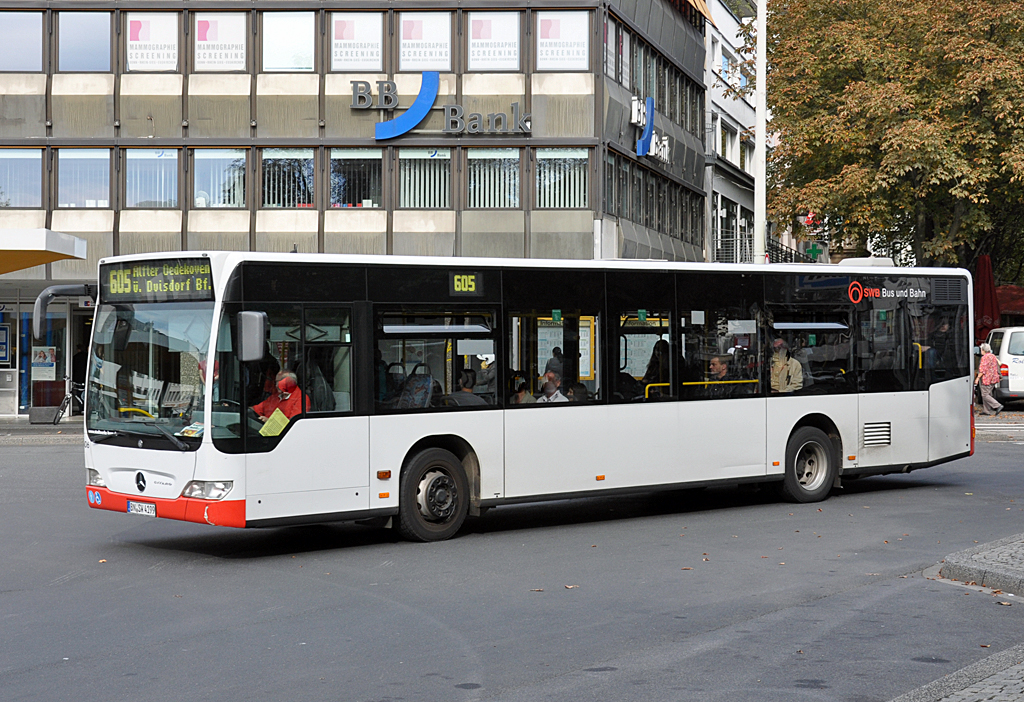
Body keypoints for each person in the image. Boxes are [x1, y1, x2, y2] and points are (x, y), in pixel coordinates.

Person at [975, 342, 1003, 416]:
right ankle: (986, 410)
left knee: (984, 395)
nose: (981, 351)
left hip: (987, 379)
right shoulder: (993, 356)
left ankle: (997, 405)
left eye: (981, 349)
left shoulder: (984, 358)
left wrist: (977, 378)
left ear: (983, 350)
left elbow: (982, 370)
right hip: (994, 378)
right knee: (988, 394)